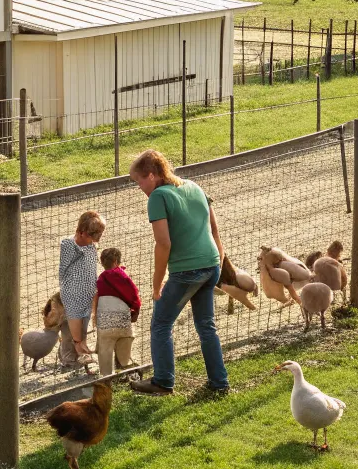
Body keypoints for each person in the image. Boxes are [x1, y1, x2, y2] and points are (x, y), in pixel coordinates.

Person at [127, 149, 230, 397]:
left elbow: (163, 244)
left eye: (139, 180)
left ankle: (162, 382)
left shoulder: (158, 197)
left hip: (187, 271)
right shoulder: (194, 187)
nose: (139, 186)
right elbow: (214, 230)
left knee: (161, 325)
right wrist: (218, 261)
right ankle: (219, 383)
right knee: (206, 326)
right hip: (211, 264)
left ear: (151, 175)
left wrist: (156, 284)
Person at [58, 210, 105, 366]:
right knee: (74, 320)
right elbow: (63, 270)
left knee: (83, 321)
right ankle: (77, 350)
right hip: (73, 290)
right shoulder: (68, 244)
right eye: (91, 237)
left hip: (89, 290)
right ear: (80, 232)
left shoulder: (91, 245)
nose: (94, 241)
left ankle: (80, 347)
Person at [92, 247, 140, 378]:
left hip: (105, 324)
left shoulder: (100, 279)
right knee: (124, 347)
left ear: (102, 262)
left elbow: (96, 299)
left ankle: (106, 377)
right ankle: (124, 372)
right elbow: (133, 294)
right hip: (122, 322)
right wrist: (135, 310)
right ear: (116, 261)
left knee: (105, 350)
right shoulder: (122, 275)